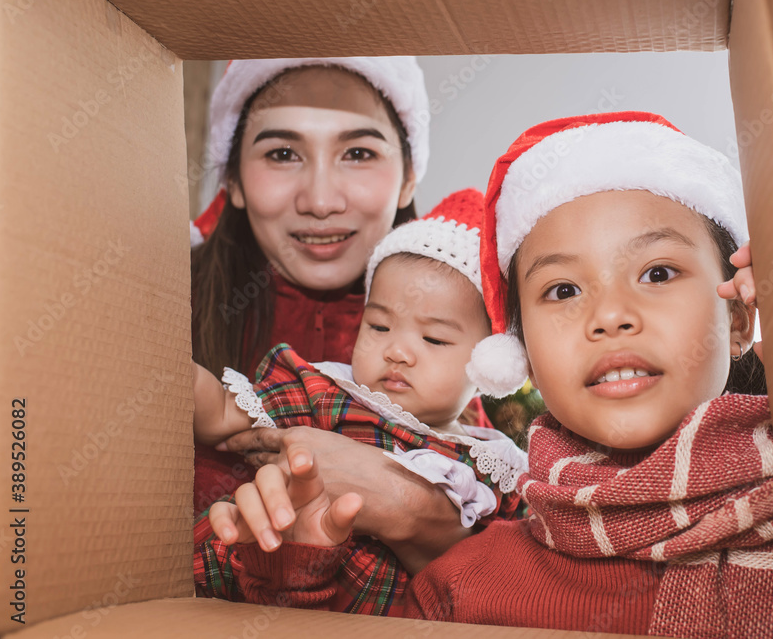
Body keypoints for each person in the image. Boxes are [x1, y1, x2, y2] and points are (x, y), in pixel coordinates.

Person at [203, 112, 773, 638]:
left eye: (657, 273)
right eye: (563, 289)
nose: (611, 316)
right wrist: (299, 563)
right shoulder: (466, 584)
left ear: (737, 316)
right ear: (524, 357)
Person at [191, 58, 484, 572]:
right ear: (232, 180)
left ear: (409, 177)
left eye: (358, 152)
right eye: (282, 153)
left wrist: (411, 509)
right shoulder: (156, 304)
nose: (321, 201)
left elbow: (500, 575)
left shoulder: (455, 354)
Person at [193, 190, 527, 615]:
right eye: (380, 325)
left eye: (434, 338)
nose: (397, 351)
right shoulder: (328, 392)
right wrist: (174, 377)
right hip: (270, 583)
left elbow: (499, 570)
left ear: (486, 366)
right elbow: (223, 413)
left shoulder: (491, 466)